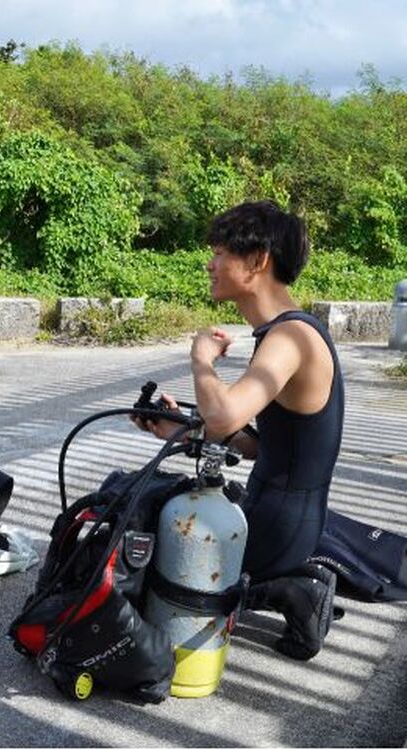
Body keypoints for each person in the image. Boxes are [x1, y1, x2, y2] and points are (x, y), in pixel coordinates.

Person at [136, 200, 344, 661]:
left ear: (257, 261)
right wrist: (181, 431)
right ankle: (282, 580)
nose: (209, 264)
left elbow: (224, 418)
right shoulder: (287, 332)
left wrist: (200, 360)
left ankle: (293, 589)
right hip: (282, 514)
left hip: (277, 527)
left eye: (219, 253)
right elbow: (258, 445)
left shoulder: (290, 338)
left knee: (140, 553)